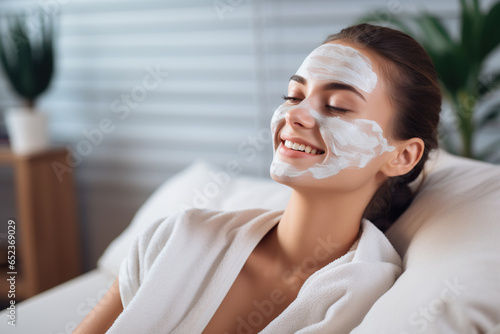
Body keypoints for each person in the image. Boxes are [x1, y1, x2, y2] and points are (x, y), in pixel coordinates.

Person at [74, 23, 441, 334]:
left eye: (337, 106)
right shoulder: (175, 237)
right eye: (294, 94)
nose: (295, 114)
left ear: (402, 156)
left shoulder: (370, 301)